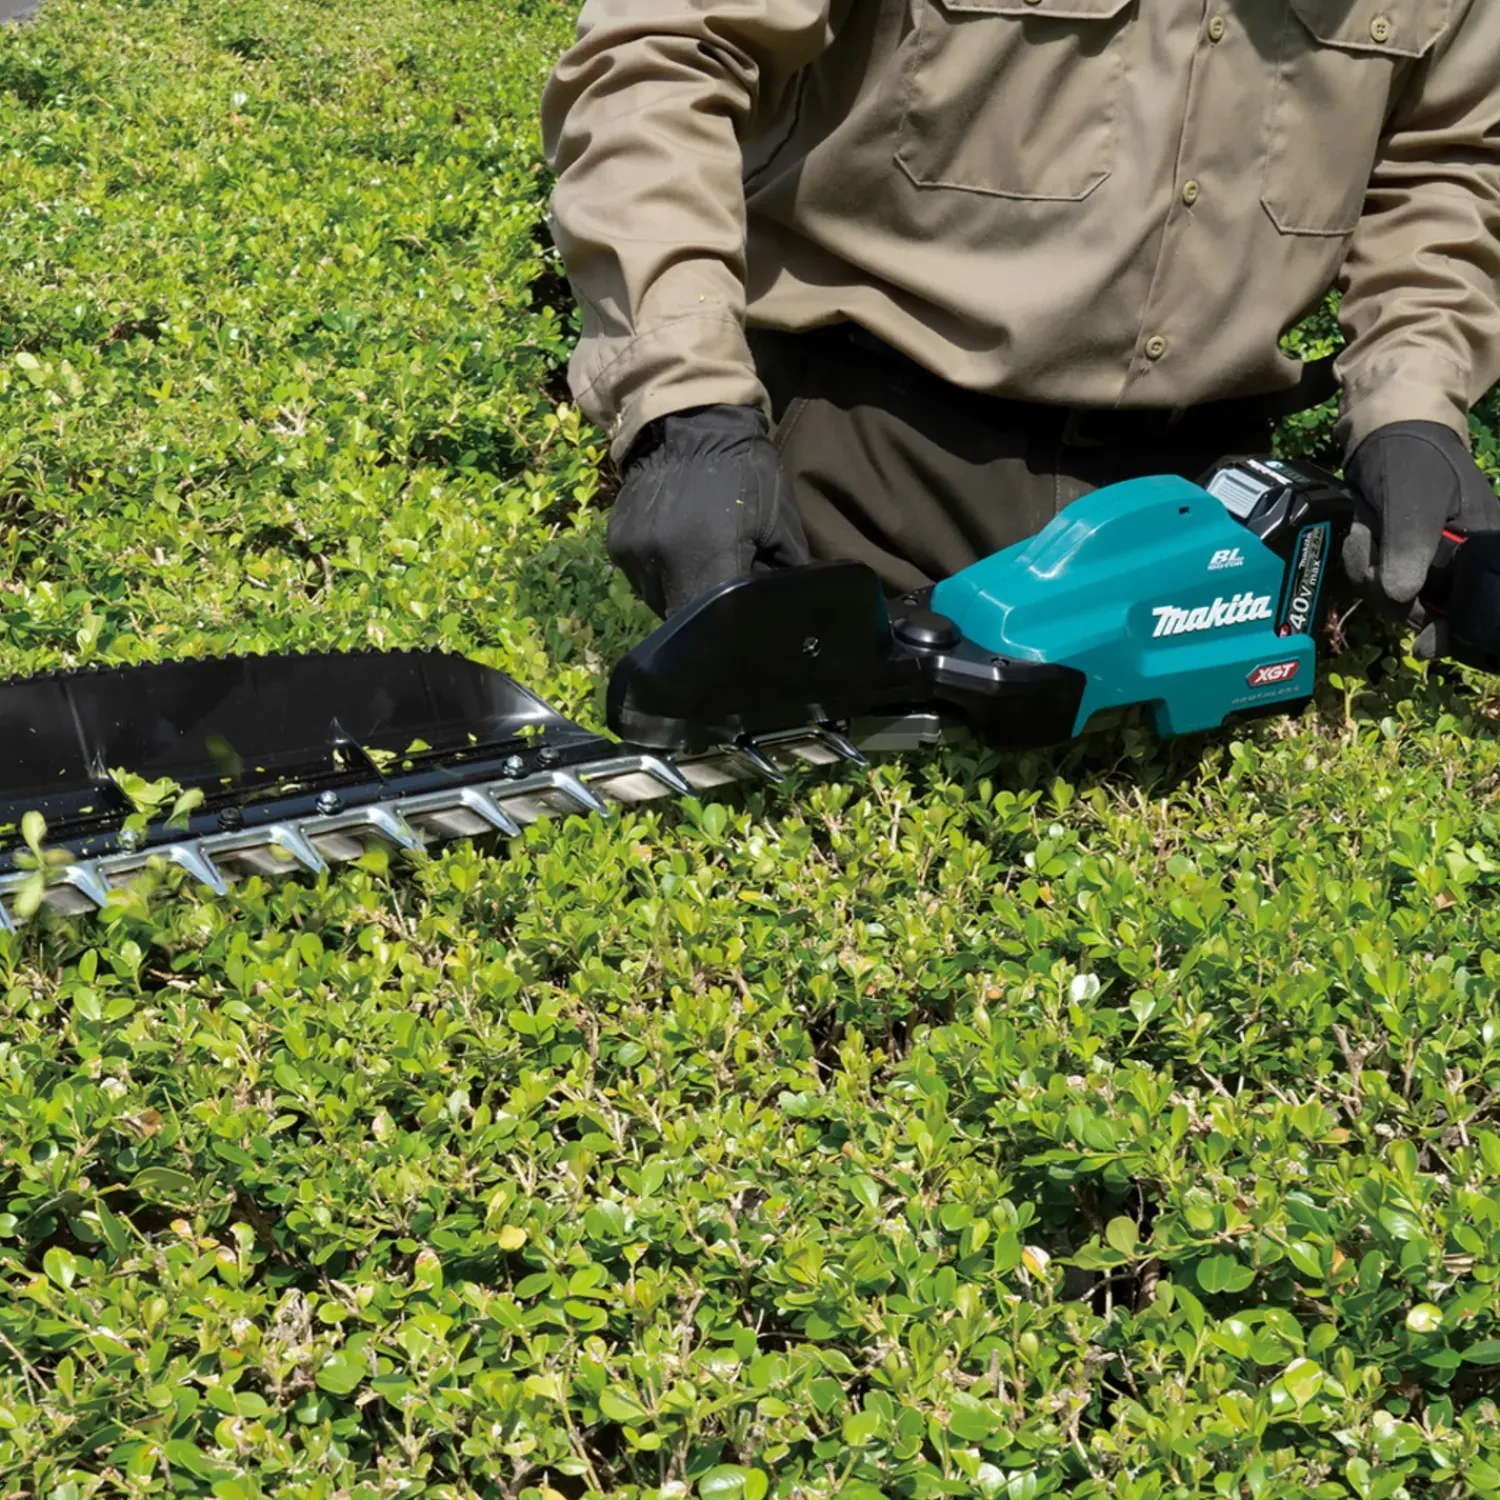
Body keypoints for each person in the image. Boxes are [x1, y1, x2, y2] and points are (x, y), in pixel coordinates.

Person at [540, 2, 1500, 658]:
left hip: (1209, 553)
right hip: (840, 506)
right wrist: (688, 406)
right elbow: (661, 54)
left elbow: (1444, 162)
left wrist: (1413, 404)